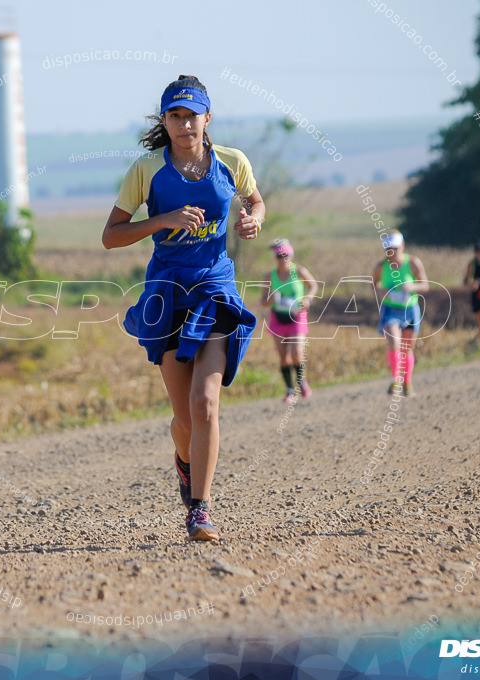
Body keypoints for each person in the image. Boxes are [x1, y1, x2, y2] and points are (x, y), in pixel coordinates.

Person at [103, 75, 263, 541]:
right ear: (166, 121)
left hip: (215, 291)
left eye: (192, 114)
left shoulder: (231, 162)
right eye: (175, 115)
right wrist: (163, 220)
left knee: (205, 404)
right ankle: (184, 462)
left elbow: (254, 200)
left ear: (207, 118)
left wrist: (252, 217)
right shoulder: (148, 170)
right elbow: (111, 236)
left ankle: (201, 508)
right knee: (185, 421)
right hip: (168, 293)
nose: (184, 123)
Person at [259, 239, 318, 403]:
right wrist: (271, 298)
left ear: (291, 255)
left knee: (296, 354)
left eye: (285, 255)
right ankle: (289, 390)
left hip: (297, 317)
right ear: (275, 257)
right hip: (278, 318)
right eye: (279, 256)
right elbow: (262, 301)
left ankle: (301, 380)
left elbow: (313, 286)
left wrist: (308, 299)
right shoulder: (269, 276)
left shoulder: (299, 271)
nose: (282, 259)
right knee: (284, 357)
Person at [371, 231, 428, 397]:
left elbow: (425, 285)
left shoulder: (413, 263)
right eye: (388, 249)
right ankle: (395, 380)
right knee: (394, 343)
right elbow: (373, 285)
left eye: (395, 248)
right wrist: (382, 292)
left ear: (402, 246)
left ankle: (407, 383)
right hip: (391, 310)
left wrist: (412, 288)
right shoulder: (381, 267)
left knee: (407, 348)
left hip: (410, 309)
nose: (391, 252)